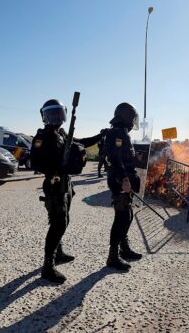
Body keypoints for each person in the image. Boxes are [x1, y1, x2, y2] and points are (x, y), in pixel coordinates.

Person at [31, 99, 102, 284]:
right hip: (54, 184)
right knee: (58, 223)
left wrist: (99, 136)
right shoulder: (42, 137)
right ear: (45, 116)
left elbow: (81, 142)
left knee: (64, 220)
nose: (56, 118)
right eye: (52, 114)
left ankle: (58, 252)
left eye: (58, 113)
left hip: (66, 183)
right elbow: (36, 162)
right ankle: (48, 266)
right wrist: (54, 169)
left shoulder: (63, 133)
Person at [105, 102, 142, 271]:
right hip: (120, 181)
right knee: (121, 217)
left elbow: (125, 157)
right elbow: (115, 158)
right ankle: (113, 257)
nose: (134, 122)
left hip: (125, 179)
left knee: (127, 215)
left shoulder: (122, 133)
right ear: (126, 117)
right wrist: (124, 179)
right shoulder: (117, 133)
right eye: (132, 118)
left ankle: (124, 249)